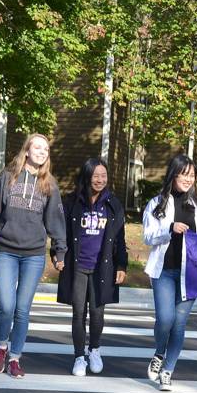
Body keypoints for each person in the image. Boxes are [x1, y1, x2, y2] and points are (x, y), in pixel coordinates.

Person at [0, 133, 67, 378]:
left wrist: (59, 251)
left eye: (45, 149)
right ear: (27, 151)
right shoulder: (8, 177)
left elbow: (55, 220)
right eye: (37, 147)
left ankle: (15, 358)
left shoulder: (49, 184)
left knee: (22, 310)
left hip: (34, 255)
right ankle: (1, 348)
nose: (41, 152)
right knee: (6, 306)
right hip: (6, 251)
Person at [142, 154, 197, 392]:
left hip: (190, 275)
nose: (188, 179)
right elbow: (147, 236)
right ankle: (159, 352)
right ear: (173, 175)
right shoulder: (157, 203)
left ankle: (168, 371)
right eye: (184, 174)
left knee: (179, 323)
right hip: (163, 271)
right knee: (165, 319)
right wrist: (169, 229)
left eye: (192, 175)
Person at [57, 157, 128, 376]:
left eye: (103, 176)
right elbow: (62, 233)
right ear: (87, 176)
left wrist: (121, 265)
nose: (100, 180)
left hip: (102, 268)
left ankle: (94, 350)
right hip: (77, 266)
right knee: (78, 313)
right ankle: (79, 357)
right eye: (95, 176)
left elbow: (120, 239)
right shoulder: (72, 202)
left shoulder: (113, 204)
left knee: (97, 314)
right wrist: (57, 254)